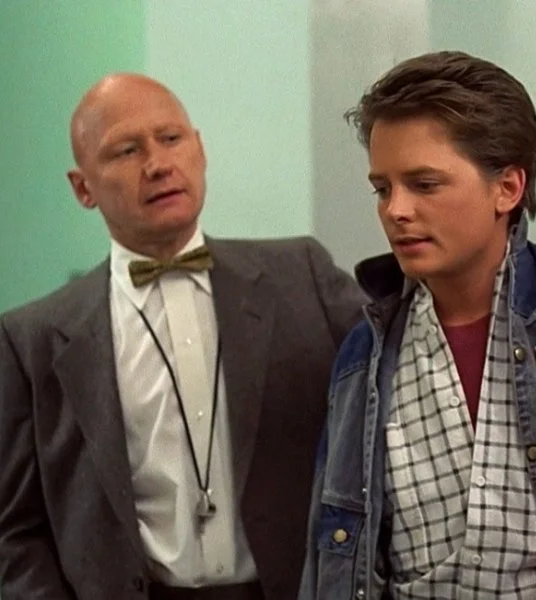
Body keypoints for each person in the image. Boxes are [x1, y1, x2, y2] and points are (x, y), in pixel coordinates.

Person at [0, 73, 364, 600]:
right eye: (127, 150)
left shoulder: (302, 276)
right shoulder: (30, 339)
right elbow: (15, 529)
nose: (158, 164)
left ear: (200, 149)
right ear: (83, 188)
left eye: (171, 139)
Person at [299, 50, 536, 600]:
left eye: (424, 184)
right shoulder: (366, 354)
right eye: (383, 188)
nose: (396, 210)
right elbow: (337, 551)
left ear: (507, 188)